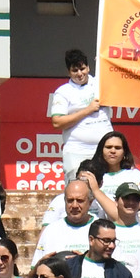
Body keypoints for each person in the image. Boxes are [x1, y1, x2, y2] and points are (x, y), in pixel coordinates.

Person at [50, 49, 112, 180]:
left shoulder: (101, 84)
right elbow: (57, 122)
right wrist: (87, 110)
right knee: (77, 190)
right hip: (77, 150)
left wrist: (106, 63)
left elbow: (118, 81)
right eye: (74, 70)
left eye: (82, 68)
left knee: (106, 189)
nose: (79, 74)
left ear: (88, 67)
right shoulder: (63, 92)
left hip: (104, 150)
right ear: (69, 72)